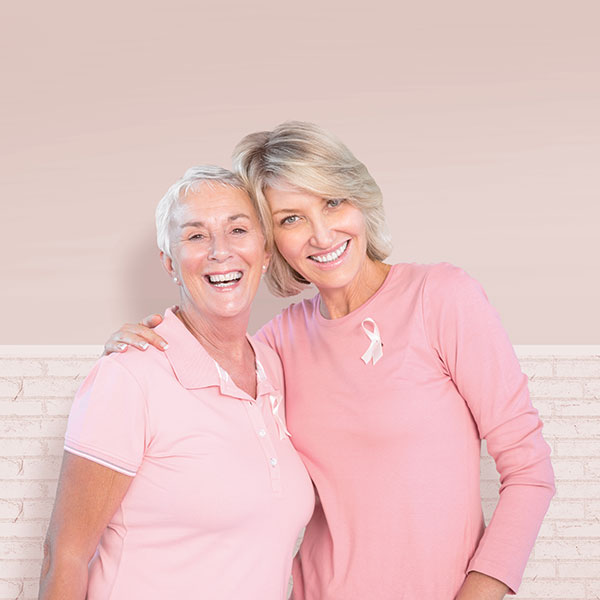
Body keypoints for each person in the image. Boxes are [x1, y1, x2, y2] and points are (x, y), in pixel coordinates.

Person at [104, 122, 555, 600]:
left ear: (359, 199)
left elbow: (530, 472)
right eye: (290, 219)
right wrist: (137, 343)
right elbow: (202, 394)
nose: (321, 235)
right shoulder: (276, 343)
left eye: (333, 202)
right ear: (269, 240)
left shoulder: (440, 298)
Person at [39, 166, 315, 600]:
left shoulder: (273, 367)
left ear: (265, 253)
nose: (220, 251)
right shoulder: (130, 375)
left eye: (237, 230)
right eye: (195, 236)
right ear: (169, 262)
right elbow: (65, 554)